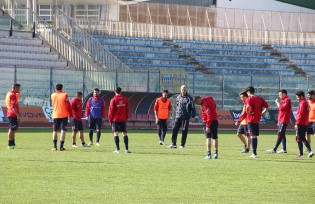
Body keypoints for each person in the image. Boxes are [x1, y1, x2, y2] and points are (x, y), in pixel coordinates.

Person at [245, 86, 269, 158]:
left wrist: (247, 112)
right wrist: (261, 113)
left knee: (252, 136)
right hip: (257, 119)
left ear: (248, 92)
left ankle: (254, 154)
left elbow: (247, 107)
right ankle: (254, 153)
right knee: (254, 136)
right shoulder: (260, 98)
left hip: (251, 119)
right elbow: (267, 107)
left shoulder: (249, 98)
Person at [266, 89, 292, 154]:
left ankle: (274, 149)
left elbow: (281, 108)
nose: (279, 96)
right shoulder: (284, 101)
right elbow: (282, 109)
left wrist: (277, 102)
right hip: (281, 120)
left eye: (280, 94)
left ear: (284, 94)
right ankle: (284, 149)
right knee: (282, 134)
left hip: (284, 120)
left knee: (280, 134)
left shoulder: (287, 100)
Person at [108, 87, 130, 153]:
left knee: (116, 133)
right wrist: (126, 118)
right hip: (123, 119)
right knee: (124, 133)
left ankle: (118, 149)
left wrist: (110, 119)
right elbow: (127, 109)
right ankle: (126, 149)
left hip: (115, 120)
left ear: (115, 91)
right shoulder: (125, 99)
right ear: (121, 91)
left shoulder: (113, 99)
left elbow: (111, 110)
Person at [51, 83, 72, 151]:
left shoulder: (52, 95)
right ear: (62, 88)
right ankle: (61, 147)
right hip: (64, 115)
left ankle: (54, 147)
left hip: (55, 115)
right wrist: (70, 114)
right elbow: (68, 105)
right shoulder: (65, 94)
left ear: (56, 88)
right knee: (63, 131)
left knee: (55, 131)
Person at [294, 90, 314, 158]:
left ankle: (309, 151)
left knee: (301, 138)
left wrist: (297, 123)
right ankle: (301, 153)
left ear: (301, 96)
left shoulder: (302, 103)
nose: (297, 98)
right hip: (305, 123)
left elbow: (300, 114)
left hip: (300, 123)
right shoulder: (306, 102)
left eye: (297, 97)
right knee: (299, 138)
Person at [5, 84, 21, 149]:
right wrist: (17, 115)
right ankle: (9, 144)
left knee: (14, 129)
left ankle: (13, 144)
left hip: (11, 113)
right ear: (16, 88)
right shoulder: (12, 95)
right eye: (19, 89)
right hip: (12, 114)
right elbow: (13, 106)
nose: (19, 90)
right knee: (12, 129)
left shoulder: (9, 93)